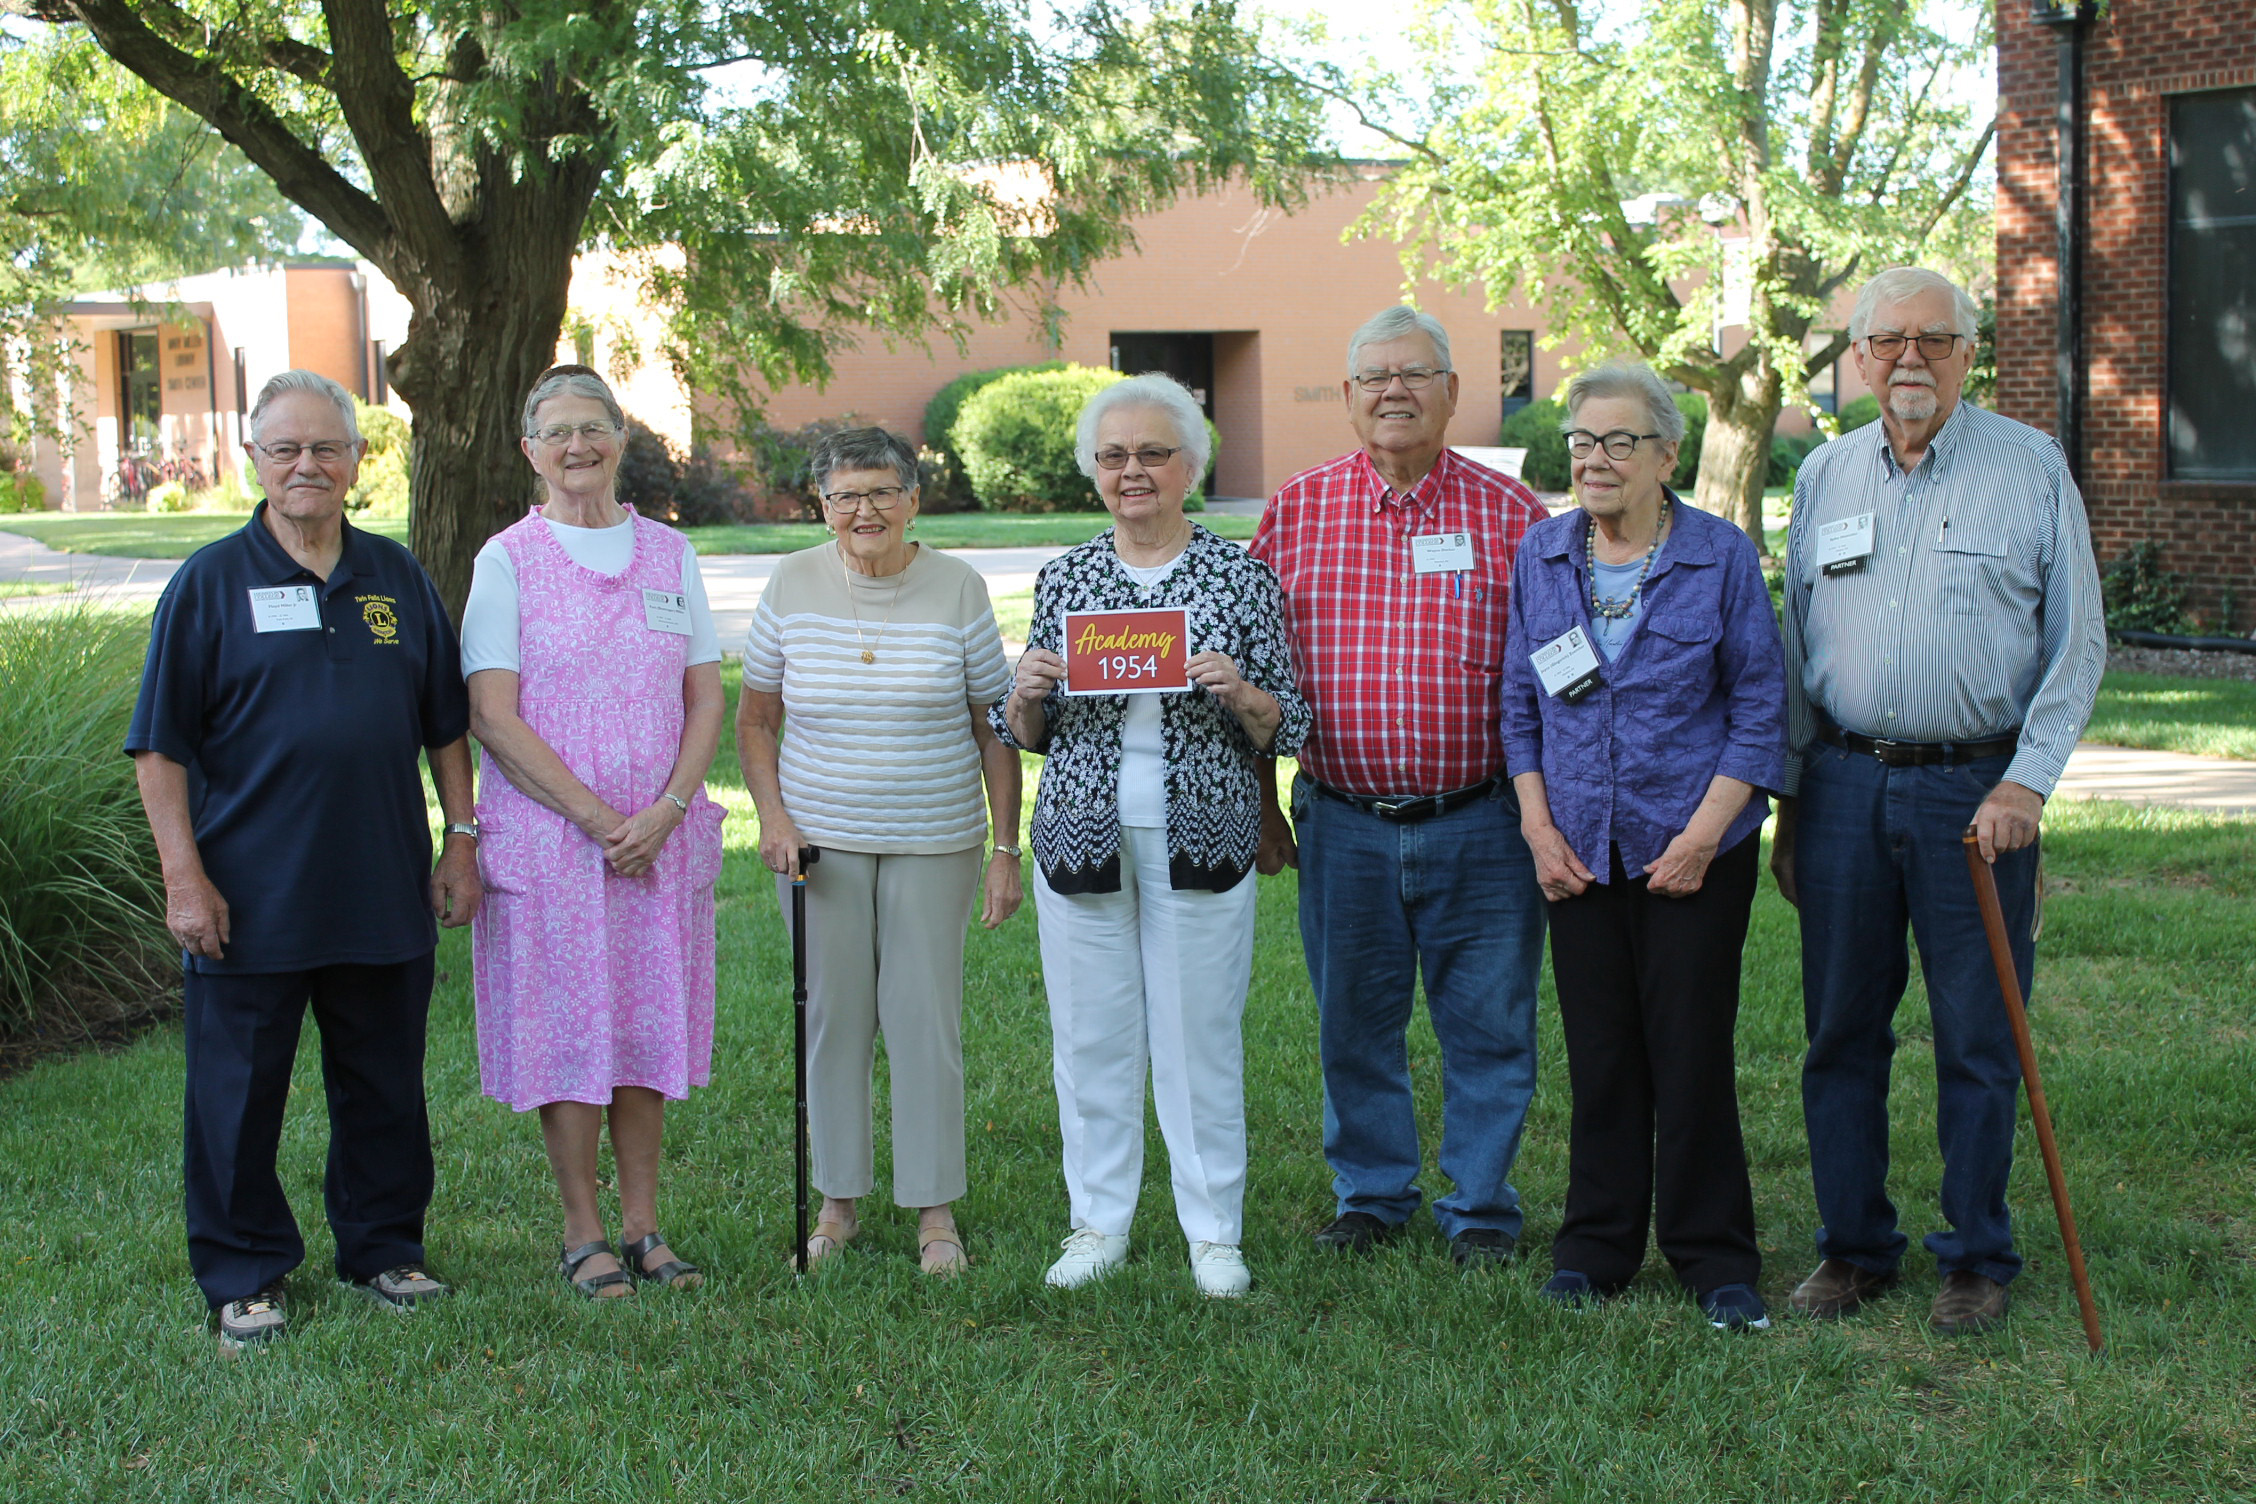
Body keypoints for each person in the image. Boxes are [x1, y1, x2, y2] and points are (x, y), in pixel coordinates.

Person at [1774, 267, 2106, 1335]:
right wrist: (1791, 794)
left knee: (1977, 1033)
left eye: (1934, 338)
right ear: (1858, 355)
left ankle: (1976, 1254)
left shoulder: (2030, 467)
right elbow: (1794, 647)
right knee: (1840, 1032)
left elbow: (2077, 643)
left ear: (1971, 351)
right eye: (1887, 340)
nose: (1908, 358)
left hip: (1978, 789)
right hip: (1842, 786)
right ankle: (1853, 1246)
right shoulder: (1824, 474)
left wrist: (2027, 779)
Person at [126, 370, 481, 1353]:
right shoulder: (208, 583)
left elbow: (445, 724)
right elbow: (160, 747)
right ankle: (244, 1271)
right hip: (251, 895)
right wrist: (182, 877)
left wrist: (462, 837)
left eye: (325, 447)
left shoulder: (397, 577)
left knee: (384, 1082)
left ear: (357, 462)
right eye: (284, 449)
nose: (306, 466)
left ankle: (382, 1247)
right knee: (238, 1093)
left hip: (381, 884)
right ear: (254, 459)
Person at [994, 373, 1309, 1297]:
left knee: (1197, 1037)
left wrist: (1244, 696)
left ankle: (1214, 1233)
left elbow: (1291, 726)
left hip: (1203, 832)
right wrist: (1024, 693)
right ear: (1097, 471)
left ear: (1191, 466)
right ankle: (1098, 1225)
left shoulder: (1240, 577)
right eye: (1114, 456)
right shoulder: (1068, 575)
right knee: (1090, 1038)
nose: (1133, 472)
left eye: (1153, 454)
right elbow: (1024, 730)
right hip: (1082, 832)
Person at [1251, 306, 1548, 1266]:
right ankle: (1373, 1195)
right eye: (1373, 376)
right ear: (1347, 397)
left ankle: (1481, 1208)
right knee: (1355, 1022)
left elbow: (1554, 674)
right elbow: (1255, 672)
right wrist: (1261, 799)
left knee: (1490, 1023)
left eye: (1415, 374)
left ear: (1455, 391)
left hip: (1485, 821)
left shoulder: (1514, 518)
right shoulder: (1296, 510)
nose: (1394, 391)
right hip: (1342, 821)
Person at [1501, 361, 1787, 1330]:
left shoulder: (1721, 557)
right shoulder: (1542, 558)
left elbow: (1759, 710)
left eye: (1620, 442)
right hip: (1577, 853)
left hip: (1695, 852)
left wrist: (1703, 839)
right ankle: (1597, 1247)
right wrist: (1538, 829)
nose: (1595, 459)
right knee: (1603, 1055)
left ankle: (1716, 1256)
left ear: (1667, 455)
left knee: (1691, 1050)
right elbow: (1518, 707)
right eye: (1583, 441)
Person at [463, 365, 727, 1299]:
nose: (578, 447)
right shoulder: (509, 560)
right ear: (530, 451)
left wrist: (665, 809)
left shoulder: (670, 556)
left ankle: (647, 1226)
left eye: (594, 428)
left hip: (660, 841)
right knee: (570, 1035)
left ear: (621, 437)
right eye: (557, 432)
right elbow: (492, 713)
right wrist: (596, 818)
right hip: (554, 846)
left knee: (646, 1025)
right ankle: (584, 1233)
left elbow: (705, 694)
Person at [737, 426, 1022, 1276]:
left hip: (934, 837)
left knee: (923, 1020)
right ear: (822, 507)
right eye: (844, 496)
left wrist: (1007, 846)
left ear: (912, 500)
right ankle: (838, 1201)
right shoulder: (790, 582)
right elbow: (755, 719)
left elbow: (994, 727)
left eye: (881, 492)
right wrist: (774, 819)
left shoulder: (958, 586)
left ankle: (936, 1214)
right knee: (834, 1023)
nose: (864, 510)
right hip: (817, 844)